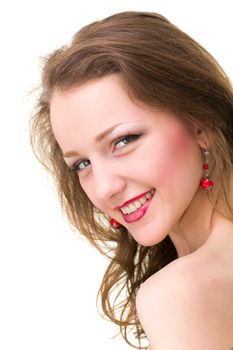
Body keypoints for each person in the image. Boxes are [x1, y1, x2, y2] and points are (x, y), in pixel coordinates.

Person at [30, 11, 233, 349]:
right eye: (81, 164)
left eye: (124, 141)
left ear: (199, 124)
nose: (104, 188)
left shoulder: (182, 293)